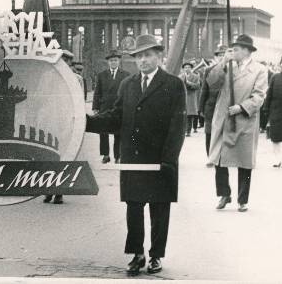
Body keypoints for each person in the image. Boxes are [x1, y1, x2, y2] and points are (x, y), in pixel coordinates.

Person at [86, 34, 186, 275]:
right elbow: (116, 117)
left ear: (159, 56)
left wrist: (168, 160)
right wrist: (85, 122)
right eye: (139, 56)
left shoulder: (173, 85)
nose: (143, 60)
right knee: (134, 207)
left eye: (148, 55)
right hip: (132, 158)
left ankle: (156, 256)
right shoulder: (128, 84)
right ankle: (137, 254)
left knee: (159, 208)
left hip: (161, 159)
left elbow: (177, 127)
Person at [207, 34, 268, 212]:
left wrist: (242, 107)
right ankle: (224, 194)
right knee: (219, 158)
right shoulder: (227, 66)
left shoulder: (259, 70)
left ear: (248, 51)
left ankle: (243, 199)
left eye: (238, 49)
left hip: (244, 118)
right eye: (232, 48)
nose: (234, 51)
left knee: (244, 161)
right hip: (224, 117)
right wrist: (222, 63)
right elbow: (212, 82)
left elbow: (259, 96)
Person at [44, 50, 81, 205]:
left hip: (67, 121)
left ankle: (59, 191)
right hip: (50, 120)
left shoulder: (76, 79)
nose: (63, 64)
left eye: (66, 61)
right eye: (60, 61)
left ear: (69, 63)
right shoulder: (47, 77)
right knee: (49, 155)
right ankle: (48, 188)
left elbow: (80, 102)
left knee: (65, 156)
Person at [92, 50, 130, 164]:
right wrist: (95, 107)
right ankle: (105, 155)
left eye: (116, 60)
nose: (113, 62)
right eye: (111, 60)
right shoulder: (101, 75)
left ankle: (118, 156)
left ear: (119, 61)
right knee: (103, 132)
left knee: (118, 132)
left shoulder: (126, 75)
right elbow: (97, 92)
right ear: (108, 62)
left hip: (119, 108)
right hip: (104, 107)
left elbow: (128, 92)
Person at [199, 45, 226, 167]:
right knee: (209, 133)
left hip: (226, 107)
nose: (221, 57)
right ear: (216, 57)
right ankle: (210, 157)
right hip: (211, 106)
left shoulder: (233, 70)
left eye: (224, 55)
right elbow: (204, 90)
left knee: (225, 132)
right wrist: (201, 108)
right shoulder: (209, 70)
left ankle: (222, 158)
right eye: (219, 55)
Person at [179, 61, 201, 137]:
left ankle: (188, 131)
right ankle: (184, 130)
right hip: (182, 97)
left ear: (191, 68)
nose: (187, 69)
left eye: (188, 67)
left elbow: (197, 86)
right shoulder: (180, 76)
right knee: (183, 115)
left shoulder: (195, 76)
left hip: (191, 97)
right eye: (185, 67)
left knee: (189, 115)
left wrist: (188, 82)